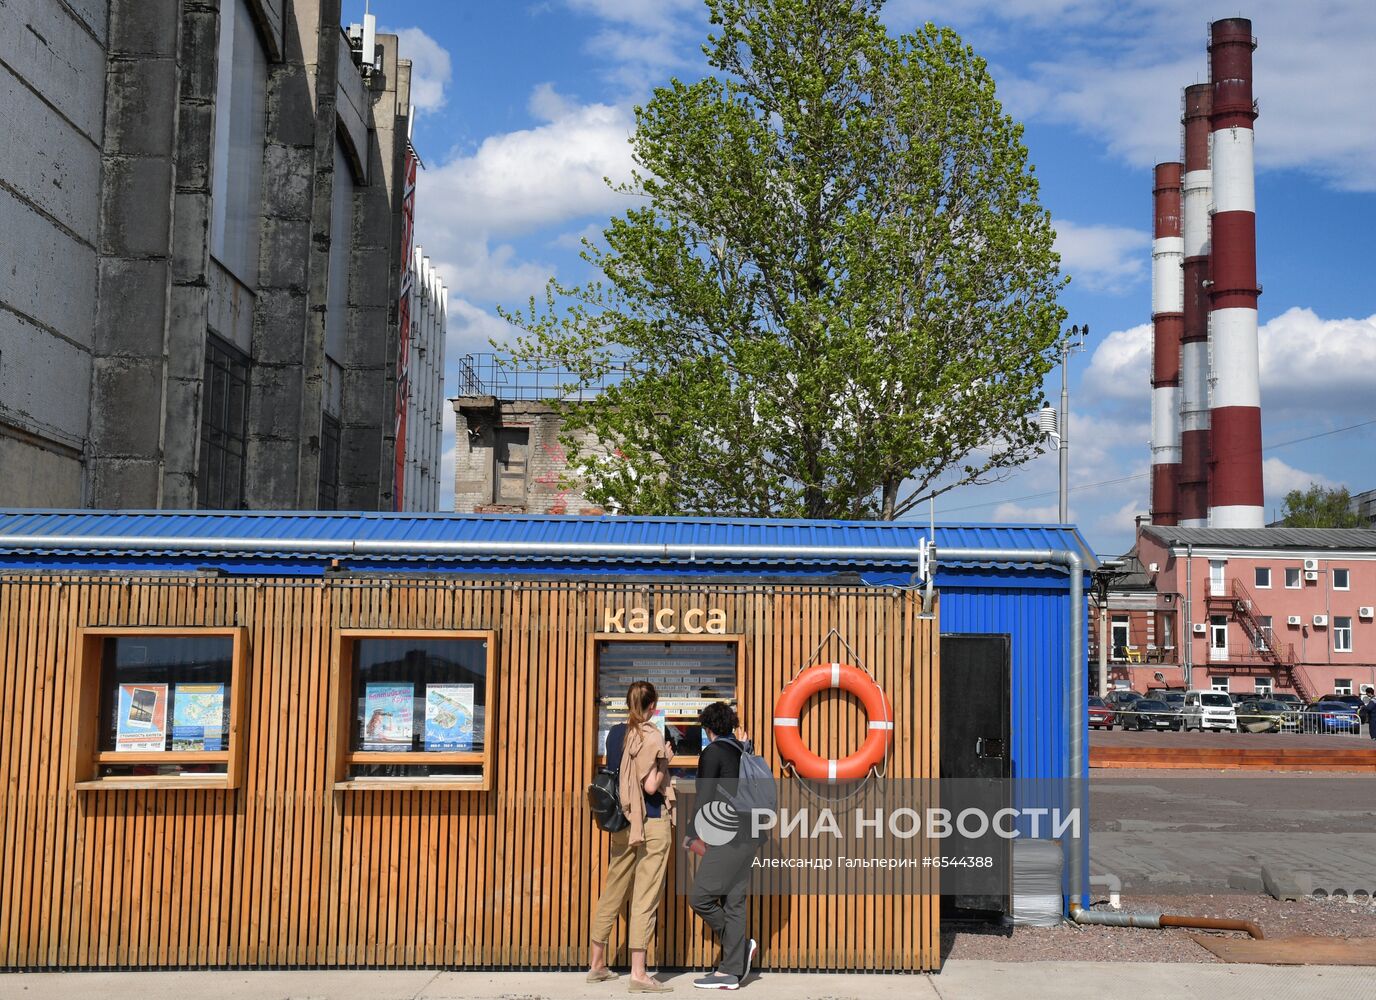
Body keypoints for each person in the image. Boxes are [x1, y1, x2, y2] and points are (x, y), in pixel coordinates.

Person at [588, 681, 676, 993]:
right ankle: (638, 973)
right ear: (653, 706)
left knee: (614, 888)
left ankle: (597, 962)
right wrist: (665, 759)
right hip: (650, 821)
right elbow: (651, 786)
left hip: (623, 821)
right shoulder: (651, 733)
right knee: (645, 896)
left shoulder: (614, 733)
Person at [686, 701, 761, 991]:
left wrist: (692, 833)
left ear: (707, 729)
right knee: (734, 901)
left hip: (727, 836)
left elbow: (704, 797)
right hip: (751, 836)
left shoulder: (713, 752)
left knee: (701, 897)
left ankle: (738, 949)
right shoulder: (743, 750)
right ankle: (729, 972)